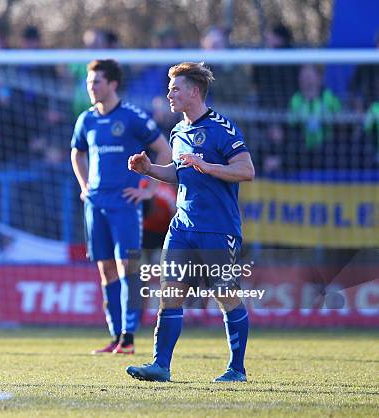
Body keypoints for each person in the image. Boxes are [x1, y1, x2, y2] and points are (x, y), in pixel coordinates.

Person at [126, 62, 255, 382]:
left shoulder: (222, 129)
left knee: (226, 295)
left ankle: (236, 369)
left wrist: (208, 166)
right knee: (169, 293)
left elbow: (246, 171)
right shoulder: (178, 131)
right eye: (169, 88)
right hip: (182, 227)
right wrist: (149, 170)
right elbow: (178, 172)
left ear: (194, 92)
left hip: (218, 228)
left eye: (175, 88)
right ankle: (160, 365)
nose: (169, 93)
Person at [71, 59, 172, 355]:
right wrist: (84, 186)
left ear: (112, 84)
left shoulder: (131, 117)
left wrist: (149, 189)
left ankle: (128, 336)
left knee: (128, 267)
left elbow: (164, 149)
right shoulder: (86, 119)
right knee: (105, 271)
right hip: (96, 204)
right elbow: (76, 153)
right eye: (89, 82)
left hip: (125, 203)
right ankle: (116, 336)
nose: (91, 87)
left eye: (96, 82)